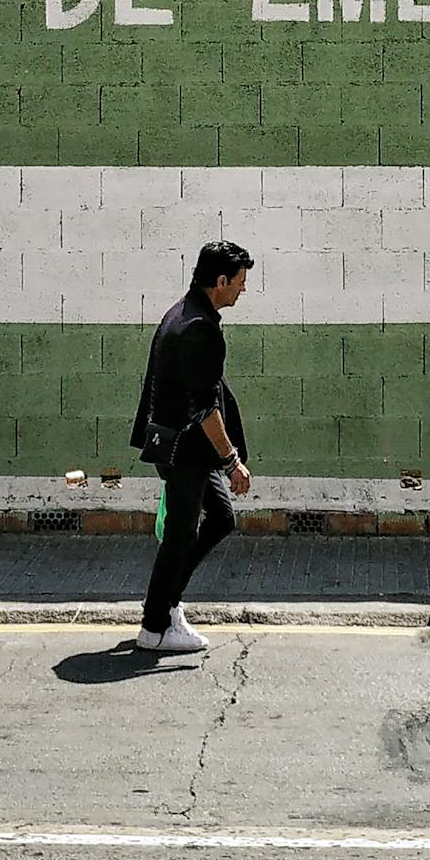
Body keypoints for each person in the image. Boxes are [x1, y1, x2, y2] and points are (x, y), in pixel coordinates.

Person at [129, 240, 254, 654]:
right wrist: (232, 461)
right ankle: (154, 626)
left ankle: (166, 604)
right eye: (239, 281)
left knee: (220, 519)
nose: (243, 289)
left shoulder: (182, 314)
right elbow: (204, 408)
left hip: (179, 446)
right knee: (181, 536)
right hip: (186, 450)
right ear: (220, 281)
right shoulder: (199, 328)